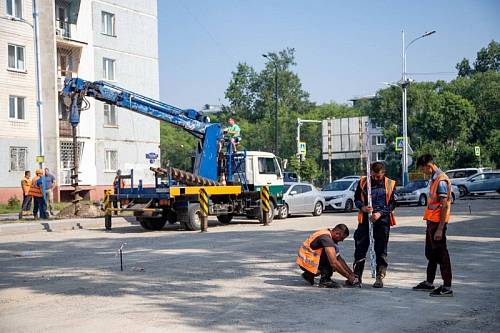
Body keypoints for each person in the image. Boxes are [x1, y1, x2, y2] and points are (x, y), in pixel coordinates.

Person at [413, 154, 453, 297]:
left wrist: (441, 228)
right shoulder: (434, 179)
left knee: (442, 255)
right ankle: (429, 282)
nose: (423, 172)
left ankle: (447, 286)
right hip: (432, 223)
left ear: (428, 166)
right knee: (431, 253)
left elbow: (443, 206)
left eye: (423, 169)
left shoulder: (441, 180)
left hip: (437, 224)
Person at [352, 162, 397, 288]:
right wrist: (363, 207)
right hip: (365, 221)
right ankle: (357, 276)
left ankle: (379, 277)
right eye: (375, 175)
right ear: (371, 172)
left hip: (382, 222)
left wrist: (380, 213)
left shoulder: (390, 184)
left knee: (381, 250)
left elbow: (393, 204)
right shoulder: (363, 182)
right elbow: (356, 199)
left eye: (379, 176)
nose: (377, 178)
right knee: (360, 247)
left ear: (383, 173)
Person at [296, 224, 360, 288]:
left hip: (304, 261)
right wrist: (348, 277)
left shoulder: (328, 233)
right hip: (307, 262)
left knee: (333, 256)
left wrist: (351, 273)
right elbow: (334, 263)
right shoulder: (326, 239)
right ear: (337, 233)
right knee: (331, 258)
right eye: (342, 238)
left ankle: (309, 275)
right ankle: (325, 281)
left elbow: (339, 258)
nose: (342, 240)